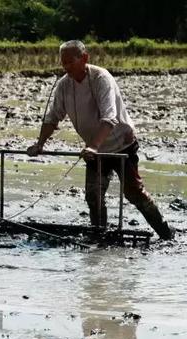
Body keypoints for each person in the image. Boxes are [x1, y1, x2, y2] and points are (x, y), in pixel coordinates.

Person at [26, 40, 174, 240]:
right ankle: (99, 237)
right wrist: (40, 144)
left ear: (84, 58)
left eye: (70, 62)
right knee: (93, 196)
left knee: (134, 193)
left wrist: (94, 147)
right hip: (94, 149)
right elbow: (53, 118)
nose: (66, 67)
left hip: (121, 145)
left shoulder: (100, 78)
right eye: (63, 63)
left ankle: (166, 234)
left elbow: (109, 118)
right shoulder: (64, 85)